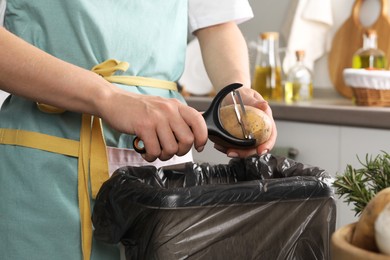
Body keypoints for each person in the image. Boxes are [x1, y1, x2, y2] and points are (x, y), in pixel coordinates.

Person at [0, 0, 277, 259]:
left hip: (167, 164)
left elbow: (217, 23)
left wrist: (235, 95)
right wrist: (107, 97)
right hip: (42, 168)